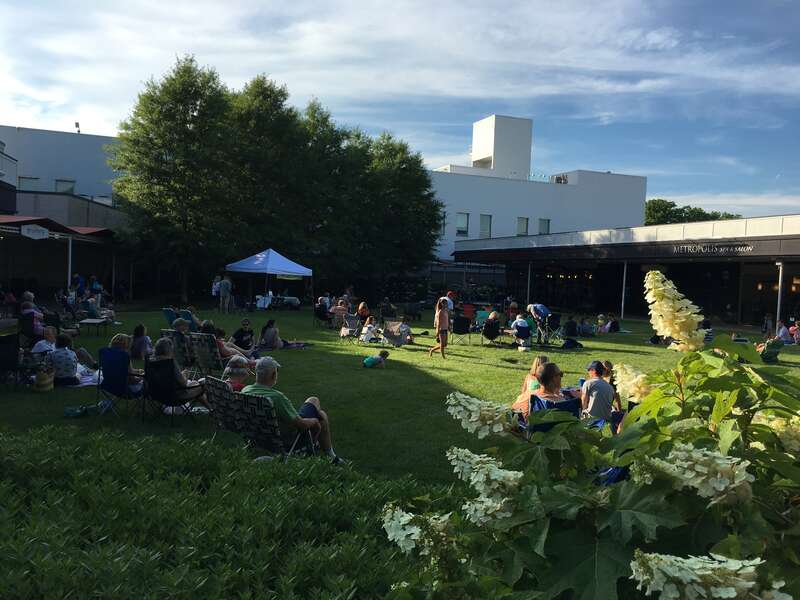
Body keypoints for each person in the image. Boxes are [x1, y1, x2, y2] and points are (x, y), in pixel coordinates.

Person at [242, 357, 343, 464]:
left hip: (259, 436)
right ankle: (331, 456)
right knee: (316, 404)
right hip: (286, 439)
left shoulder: (245, 391)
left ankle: (329, 454)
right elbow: (302, 424)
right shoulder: (276, 398)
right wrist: (315, 421)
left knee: (320, 413)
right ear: (273, 375)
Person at [151, 338, 209, 409]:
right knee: (202, 386)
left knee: (194, 383)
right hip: (175, 396)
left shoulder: (151, 362)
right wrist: (185, 375)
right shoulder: (170, 363)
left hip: (158, 395)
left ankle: (210, 408)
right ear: (169, 350)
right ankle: (211, 408)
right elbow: (184, 384)